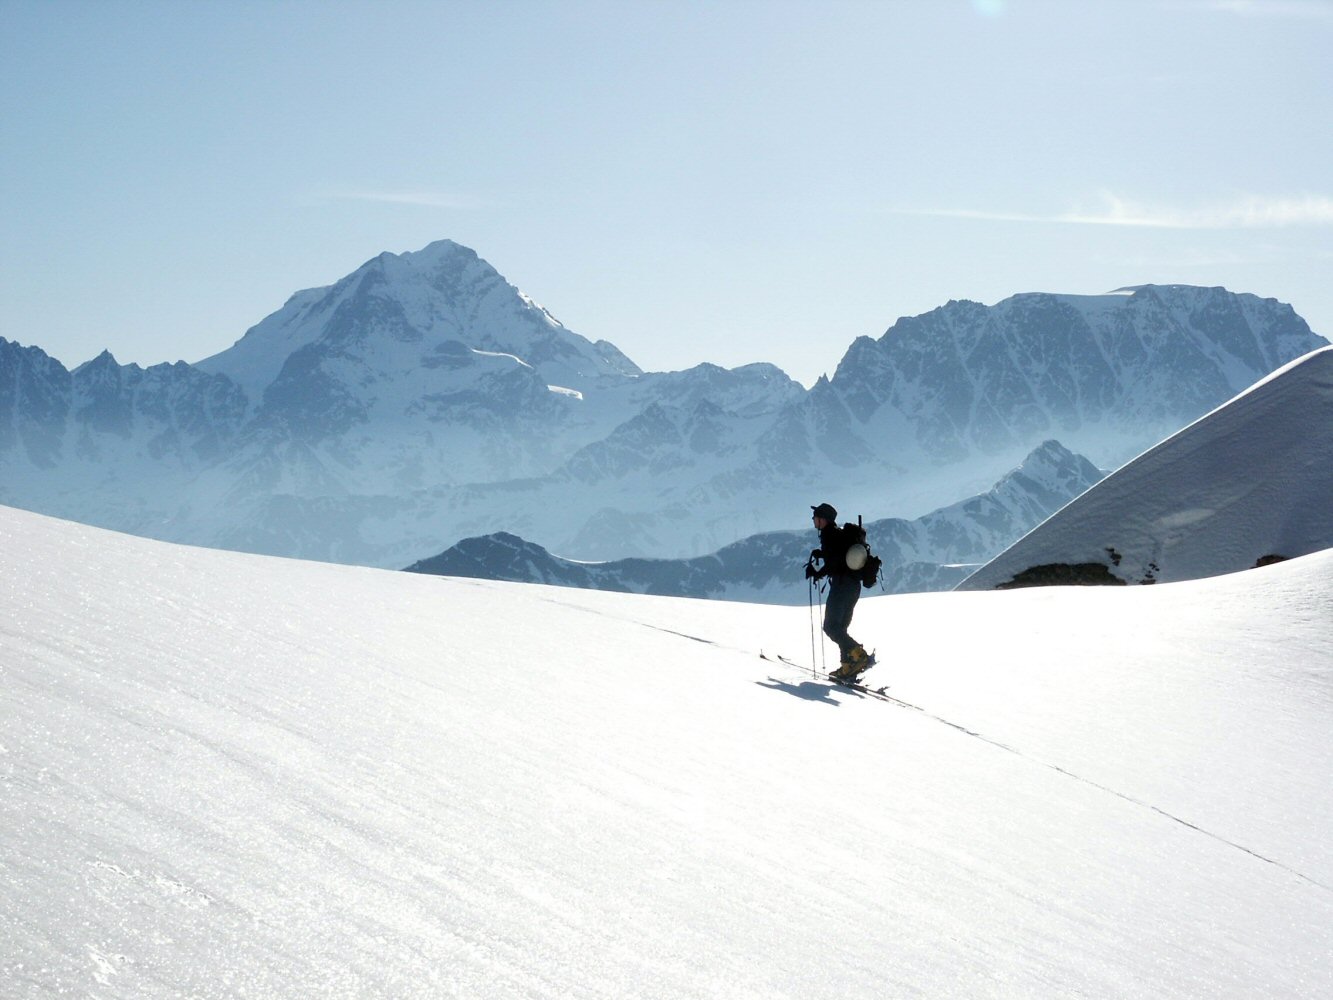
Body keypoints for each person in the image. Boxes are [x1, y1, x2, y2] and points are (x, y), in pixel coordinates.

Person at [805, 502, 873, 682]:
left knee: (831, 627)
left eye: (815, 517)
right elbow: (837, 556)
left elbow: (835, 562)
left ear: (823, 520)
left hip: (841, 586)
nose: (813, 520)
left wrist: (818, 572)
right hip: (853, 586)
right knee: (840, 627)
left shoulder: (829, 535)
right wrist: (821, 555)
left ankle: (859, 655)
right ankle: (847, 666)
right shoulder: (839, 535)